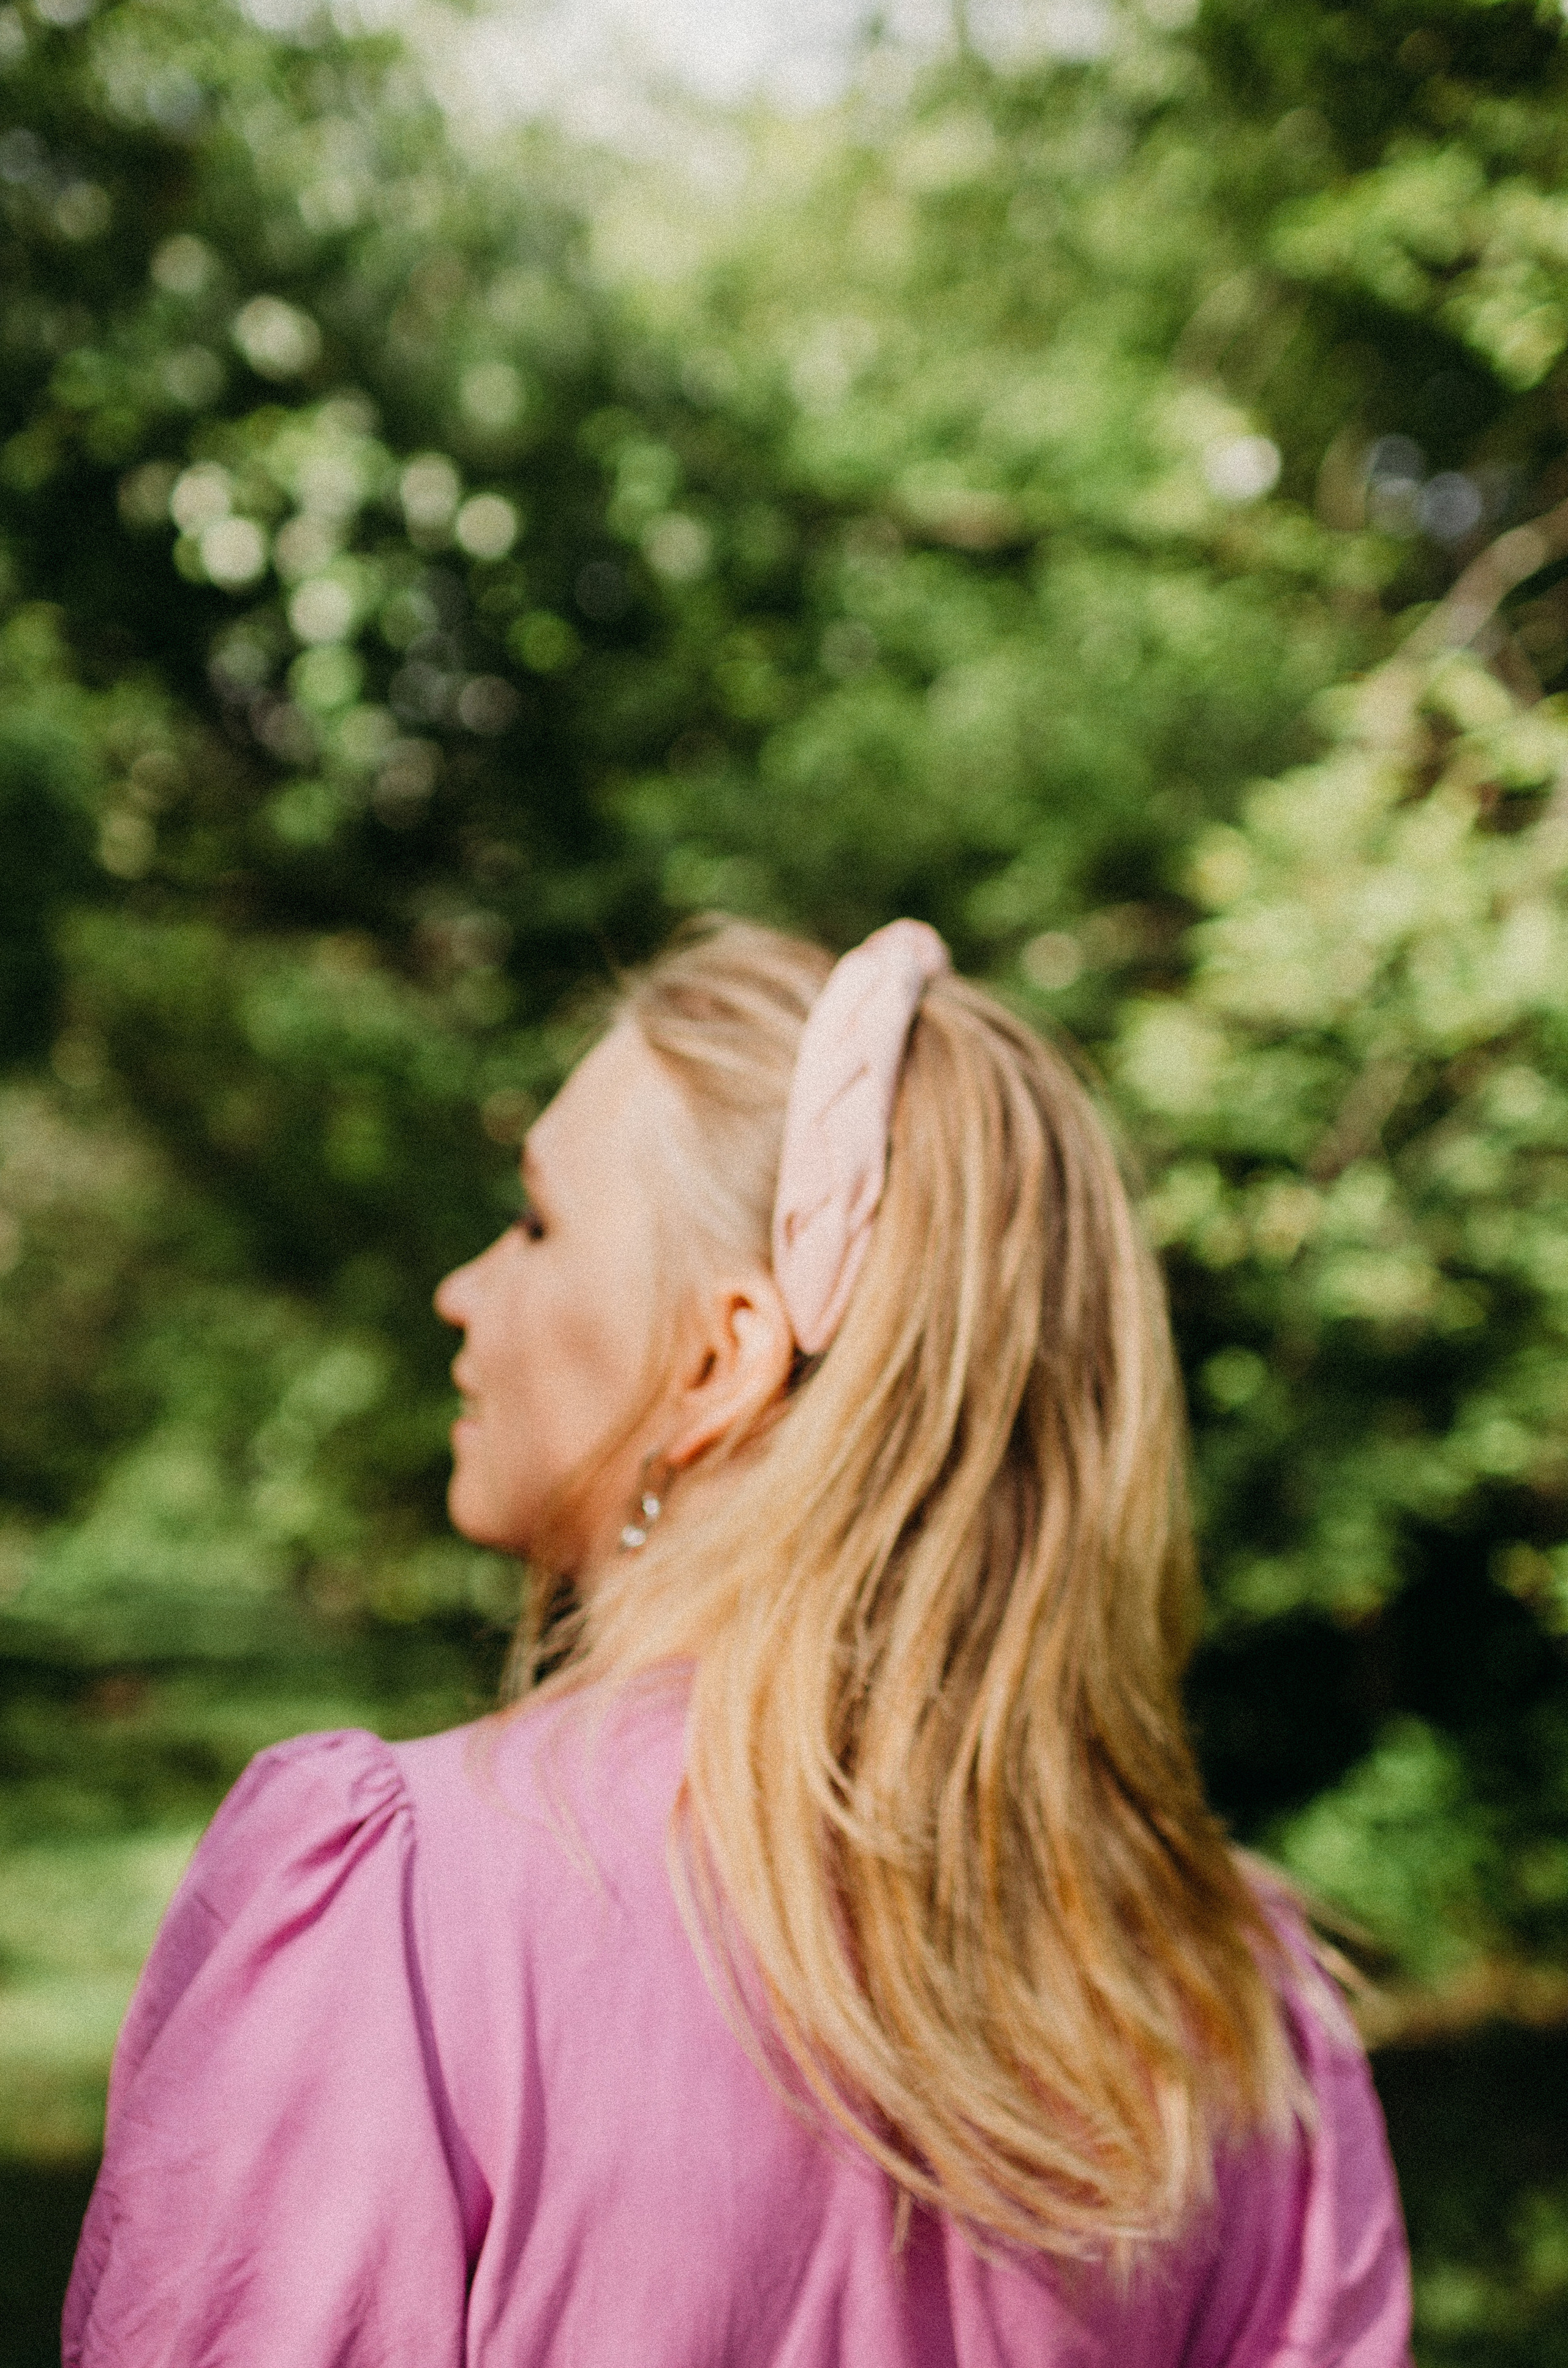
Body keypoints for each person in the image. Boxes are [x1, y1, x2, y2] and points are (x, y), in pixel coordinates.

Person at [64, 917, 1413, 2366]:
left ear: (717, 1361)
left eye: (534, 1220)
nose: (466, 1287)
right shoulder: (1231, 2003)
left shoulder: (397, 1909)